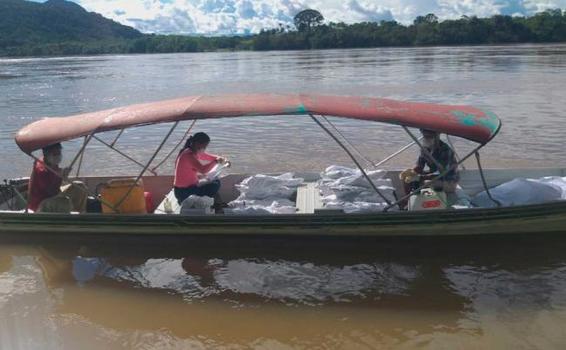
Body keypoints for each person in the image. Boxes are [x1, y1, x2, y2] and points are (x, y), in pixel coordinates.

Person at [173, 132, 230, 207]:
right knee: (215, 185)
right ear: (197, 143)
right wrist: (215, 161)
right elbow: (203, 170)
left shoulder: (191, 151)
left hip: (190, 187)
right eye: (204, 146)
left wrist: (223, 160)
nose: (205, 148)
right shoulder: (188, 155)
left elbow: (206, 156)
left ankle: (209, 202)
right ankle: (198, 203)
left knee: (215, 180)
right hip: (184, 192)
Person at [28, 143, 88, 213]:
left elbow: (57, 183)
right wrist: (60, 176)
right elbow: (51, 192)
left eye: (59, 153)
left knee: (80, 186)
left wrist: (63, 175)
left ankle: (80, 214)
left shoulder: (51, 162)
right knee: (64, 201)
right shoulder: (41, 170)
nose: (58, 156)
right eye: (55, 154)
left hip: (54, 194)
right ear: (47, 155)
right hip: (41, 203)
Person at [401, 129, 460, 194]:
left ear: (437, 136)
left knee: (425, 182)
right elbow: (420, 166)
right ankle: (407, 200)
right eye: (425, 136)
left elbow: (441, 173)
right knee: (406, 178)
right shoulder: (425, 148)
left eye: (429, 136)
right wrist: (411, 172)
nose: (426, 138)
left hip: (448, 180)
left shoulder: (445, 150)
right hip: (434, 175)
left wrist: (420, 177)